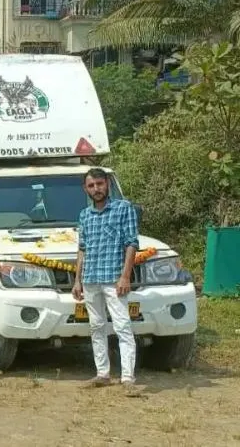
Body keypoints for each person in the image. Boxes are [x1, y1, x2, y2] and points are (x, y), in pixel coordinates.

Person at [73, 168, 141, 396]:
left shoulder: (123, 208)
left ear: (107, 184)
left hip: (114, 278)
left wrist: (125, 276)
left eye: (99, 184)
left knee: (122, 326)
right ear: (86, 189)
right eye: (91, 186)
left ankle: (128, 378)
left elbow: (131, 243)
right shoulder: (84, 215)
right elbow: (82, 249)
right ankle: (102, 374)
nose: (96, 189)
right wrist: (77, 280)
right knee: (96, 327)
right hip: (91, 279)